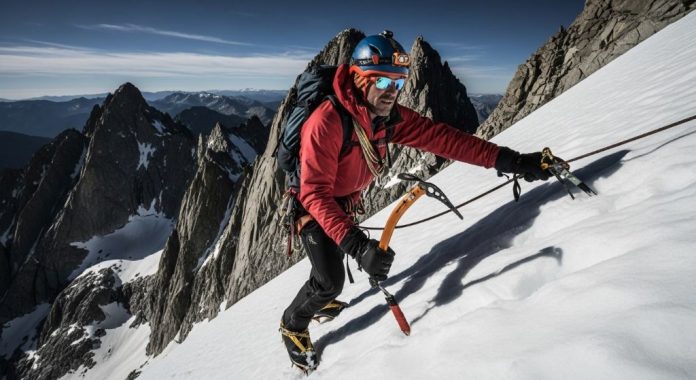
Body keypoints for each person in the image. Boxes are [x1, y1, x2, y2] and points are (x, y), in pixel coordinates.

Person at [279, 30, 552, 372]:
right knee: (330, 280)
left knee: (328, 267)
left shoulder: (385, 120)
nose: (392, 93)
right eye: (383, 82)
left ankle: (322, 294)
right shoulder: (327, 122)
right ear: (360, 79)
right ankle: (293, 324)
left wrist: (511, 161)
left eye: (399, 82)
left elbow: (446, 140)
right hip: (312, 203)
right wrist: (358, 245)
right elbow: (314, 193)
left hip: (342, 202)